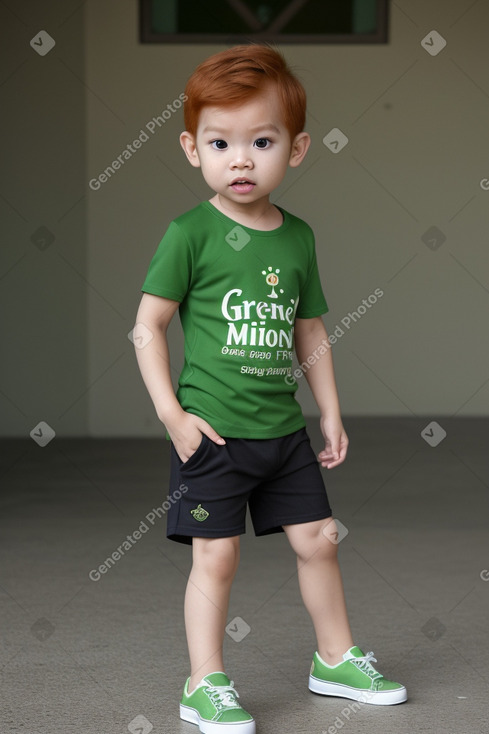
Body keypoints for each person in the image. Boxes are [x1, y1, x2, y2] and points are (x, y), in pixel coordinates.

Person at [134, 44, 407, 734]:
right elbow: (146, 328)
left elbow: (309, 333)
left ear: (297, 147)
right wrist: (174, 417)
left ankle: (335, 656)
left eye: (262, 141)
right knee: (215, 556)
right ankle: (204, 681)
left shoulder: (296, 239)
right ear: (192, 148)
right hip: (213, 434)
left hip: (282, 432)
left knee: (318, 540)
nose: (242, 159)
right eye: (221, 143)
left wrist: (331, 412)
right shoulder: (188, 233)